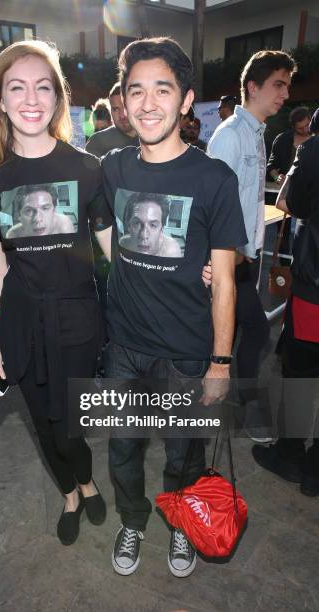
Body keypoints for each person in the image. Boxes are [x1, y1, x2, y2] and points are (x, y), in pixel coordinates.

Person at [102, 37, 247, 577]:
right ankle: (133, 522)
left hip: (187, 357)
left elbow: (227, 282)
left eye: (162, 89)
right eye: (135, 90)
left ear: (186, 100)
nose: (147, 103)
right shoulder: (112, 168)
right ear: (123, 100)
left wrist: (220, 363)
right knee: (122, 451)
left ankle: (182, 525)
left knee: (183, 455)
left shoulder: (214, 179)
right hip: (122, 350)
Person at [0, 40, 113, 546]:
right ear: (0, 100)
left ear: (57, 97)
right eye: (17, 87)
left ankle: (87, 480)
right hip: (20, 324)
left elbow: (115, 252)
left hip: (77, 321)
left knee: (69, 424)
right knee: (43, 425)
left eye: (42, 86)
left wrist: (185, 273)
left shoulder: (87, 169)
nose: (31, 98)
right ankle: (71, 494)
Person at [207, 50, 296, 442]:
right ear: (253, 87)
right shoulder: (229, 137)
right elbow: (210, 206)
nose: (285, 94)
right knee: (256, 333)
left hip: (249, 256)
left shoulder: (257, 134)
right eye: (278, 84)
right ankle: (245, 407)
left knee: (245, 333)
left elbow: (247, 199)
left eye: (287, 86)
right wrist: (229, 255)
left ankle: (230, 399)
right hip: (231, 260)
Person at [253, 109, 319, 497]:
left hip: (315, 292)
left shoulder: (312, 151)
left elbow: (286, 201)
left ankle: (292, 454)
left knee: (300, 375)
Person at [119, 191, 180, 256]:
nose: (144, 236)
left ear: (161, 229)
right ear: (129, 226)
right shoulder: (124, 243)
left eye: (153, 225)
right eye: (137, 223)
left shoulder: (171, 251)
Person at [86, 83, 139, 158]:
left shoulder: (153, 138)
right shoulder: (97, 142)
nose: (122, 115)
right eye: (115, 109)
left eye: (126, 107)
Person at [5, 184, 74, 238]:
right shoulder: (13, 234)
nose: (38, 219)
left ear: (54, 210)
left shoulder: (64, 225)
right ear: (19, 215)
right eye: (29, 211)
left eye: (45, 208)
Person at [267, 106, 311, 185]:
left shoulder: (316, 138)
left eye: (307, 125)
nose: (305, 130)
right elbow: (270, 166)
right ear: (293, 127)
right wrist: (277, 178)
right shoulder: (282, 140)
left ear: (311, 120)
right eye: (300, 128)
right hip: (288, 189)